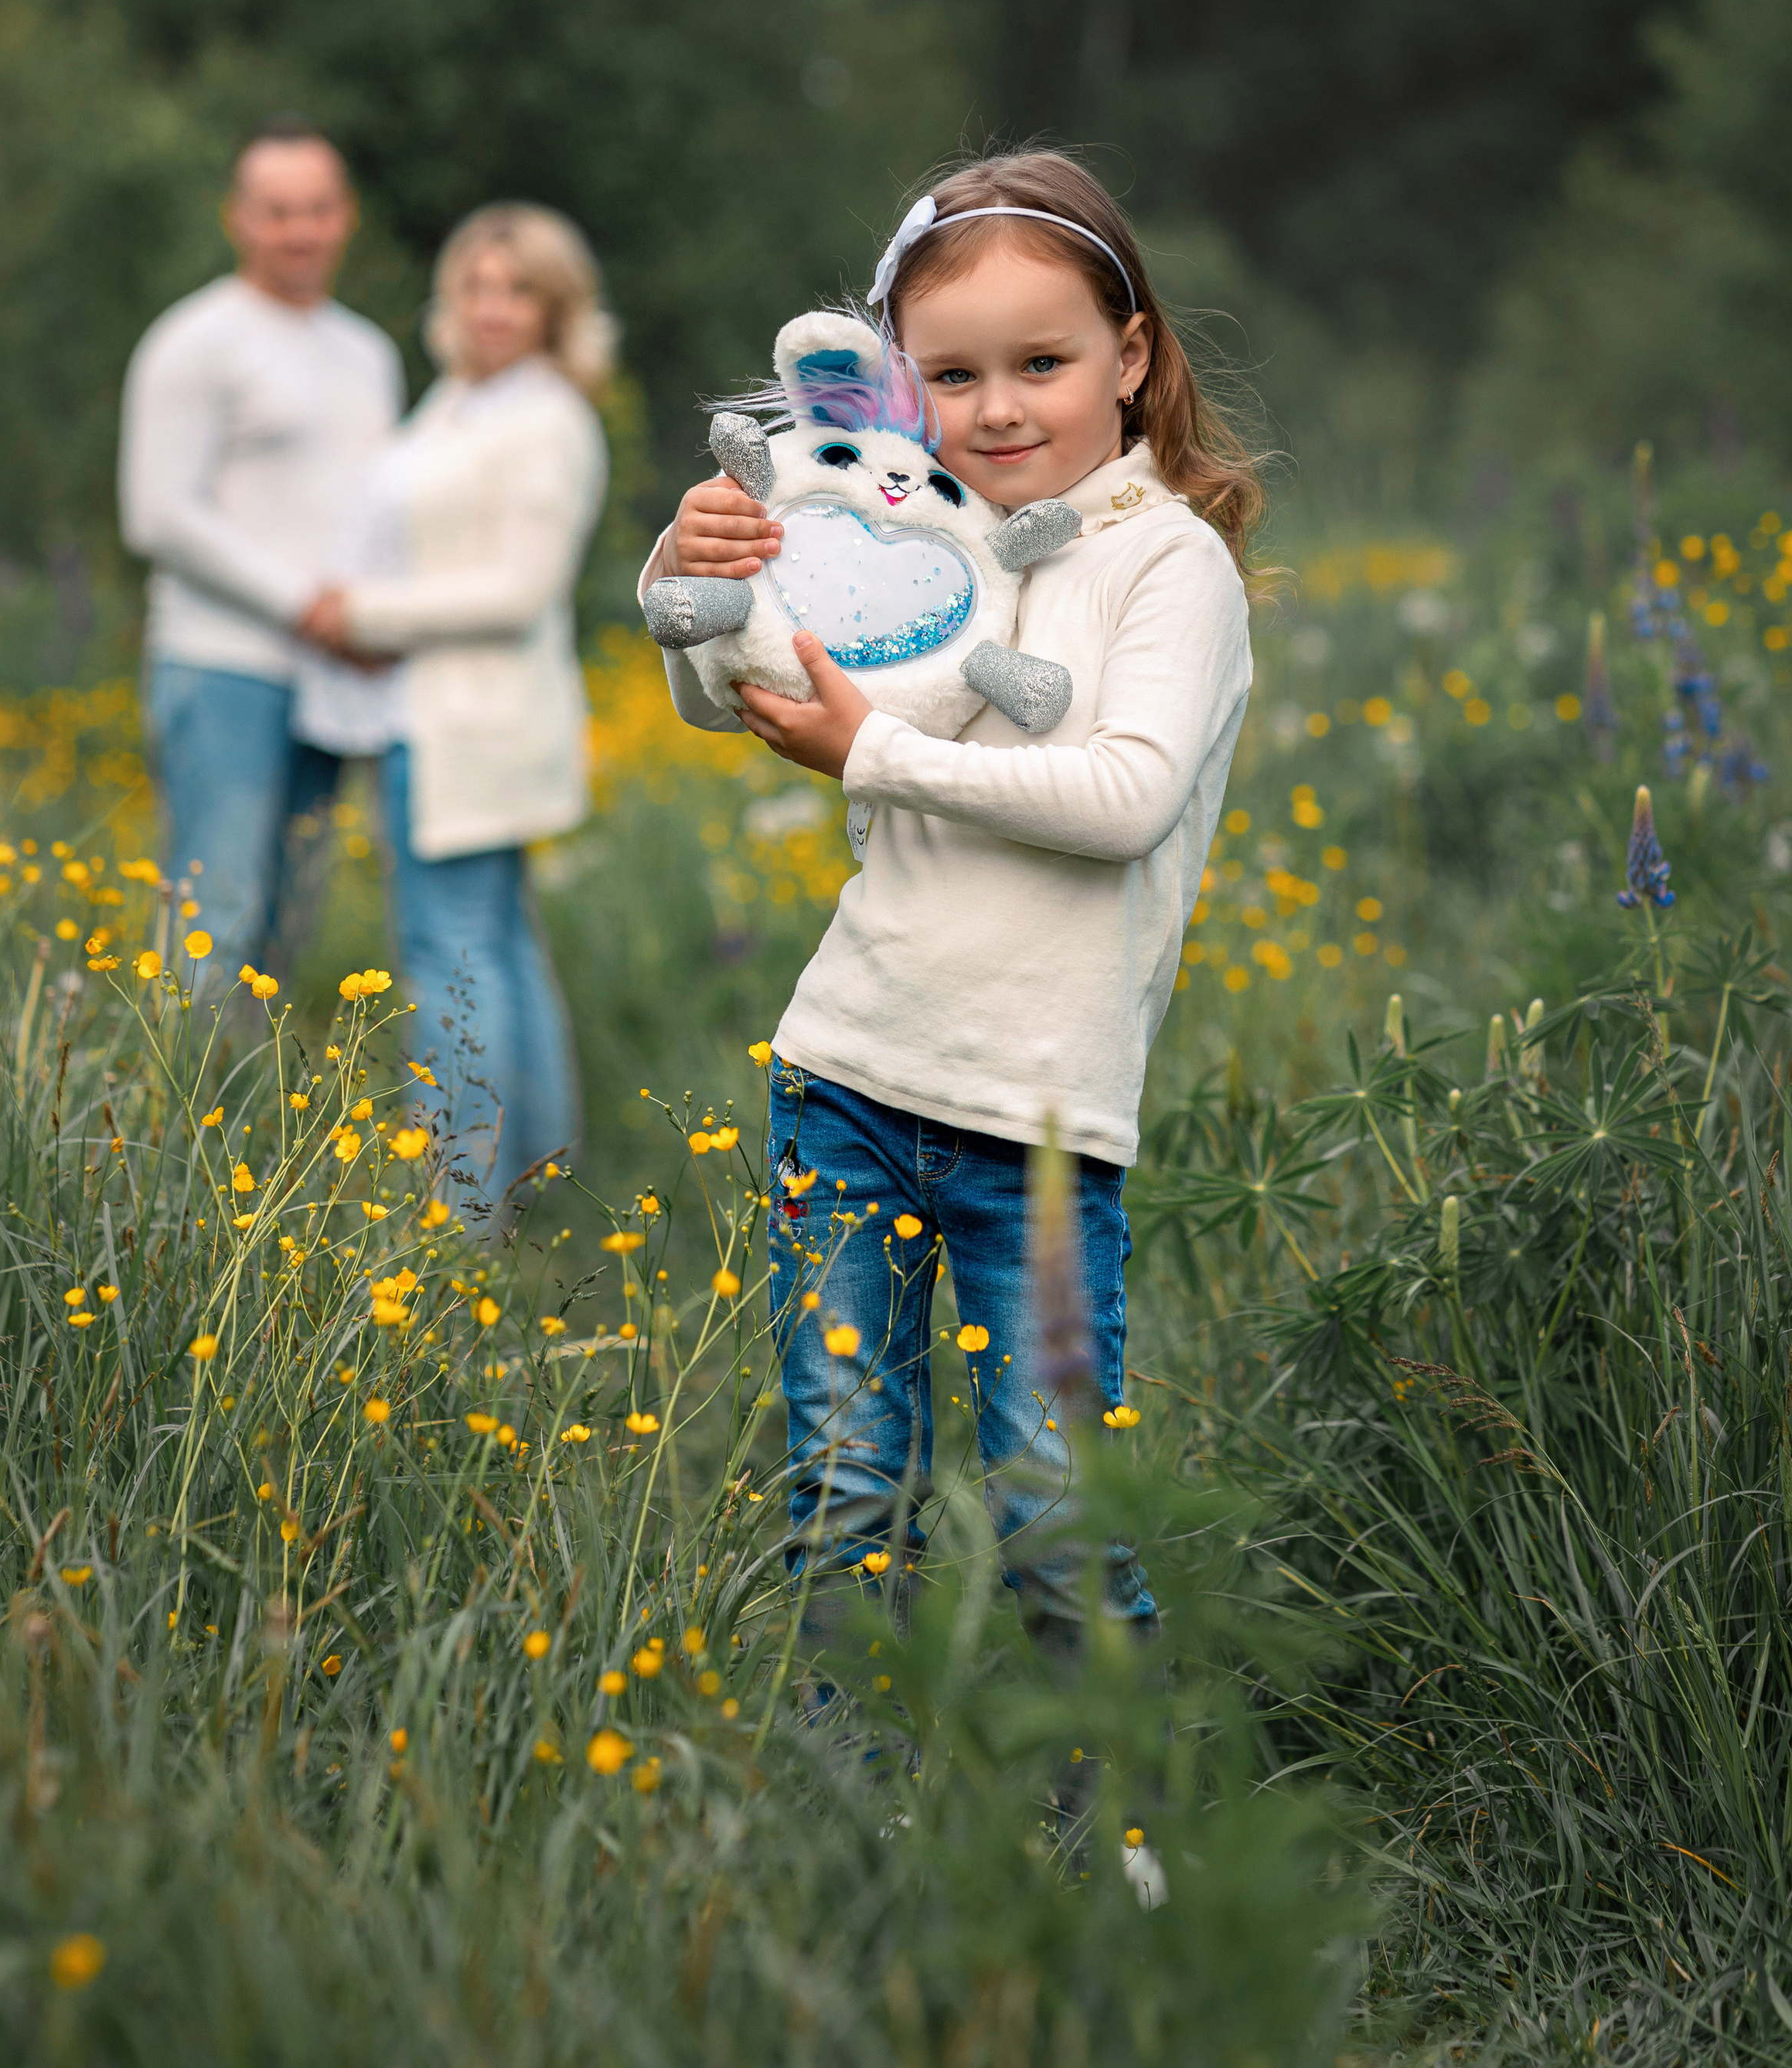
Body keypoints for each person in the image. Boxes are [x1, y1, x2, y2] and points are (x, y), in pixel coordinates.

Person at [642, 151, 1259, 1644]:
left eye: (1042, 364)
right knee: (847, 1498)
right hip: (848, 1076)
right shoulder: (917, 524)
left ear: (1130, 355)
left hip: (1039, 1117)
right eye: (954, 377)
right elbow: (733, 695)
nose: (998, 410)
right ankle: (850, 1783)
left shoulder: (1165, 565)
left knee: (1056, 1520)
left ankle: (1106, 1788)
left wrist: (876, 754)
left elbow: (1124, 798)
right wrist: (691, 576)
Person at [295, 204, 613, 1211]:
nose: (491, 308)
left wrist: (363, 615)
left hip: (471, 726)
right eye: (476, 286)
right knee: (496, 944)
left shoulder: (547, 418)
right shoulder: (460, 401)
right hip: (436, 716)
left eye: (518, 290)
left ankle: (458, 1210)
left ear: (556, 308)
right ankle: (537, 1183)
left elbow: (520, 591)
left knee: (451, 961)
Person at [118, 121, 404, 981]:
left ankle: (251, 1077)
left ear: (346, 215)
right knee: (216, 917)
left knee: (285, 925)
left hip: (332, 677)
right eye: (278, 211)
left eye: (317, 209)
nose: (300, 231)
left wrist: (375, 618)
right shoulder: (195, 340)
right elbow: (158, 515)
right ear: (238, 217)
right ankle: (179, 1077)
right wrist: (306, 606)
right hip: (223, 666)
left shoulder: (369, 352)